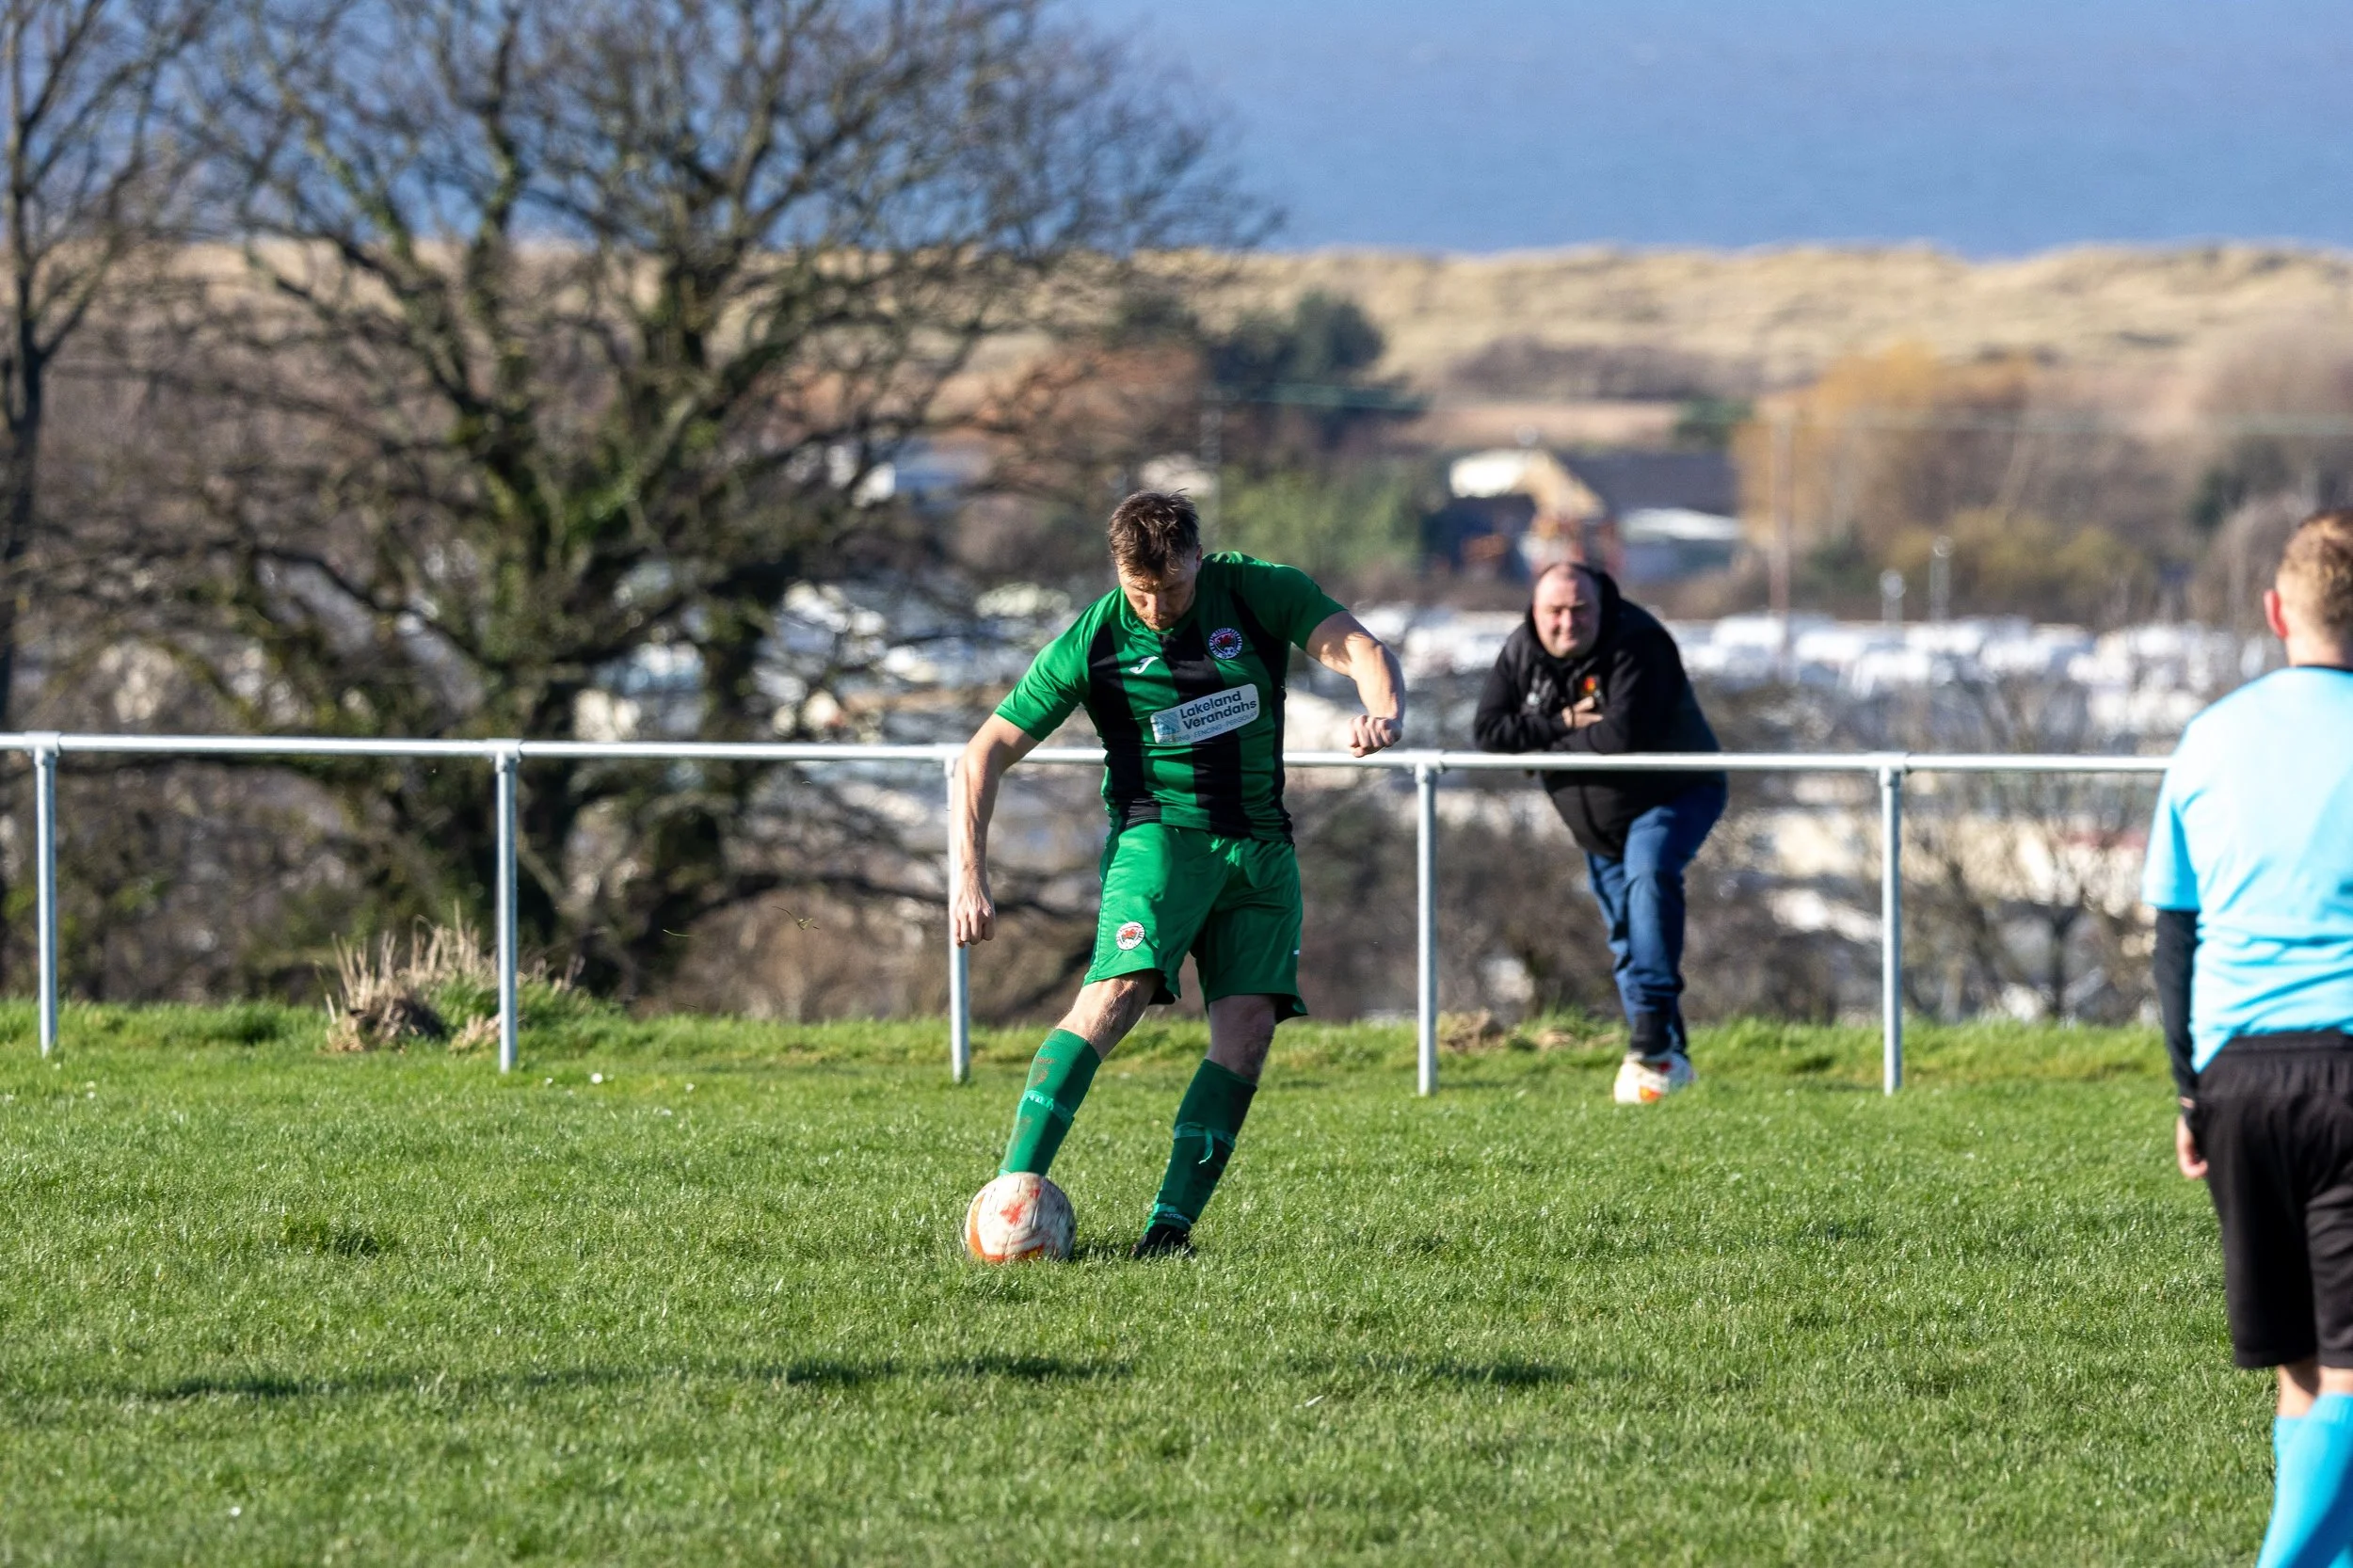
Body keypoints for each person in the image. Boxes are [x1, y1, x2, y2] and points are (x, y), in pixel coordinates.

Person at [952, 490, 1403, 1257]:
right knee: (1116, 996)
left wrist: (1382, 709)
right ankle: (1011, 1194)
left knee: (1249, 1034)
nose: (1156, 607)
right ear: (1119, 573)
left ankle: (1169, 1232)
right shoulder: (1095, 639)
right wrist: (969, 875)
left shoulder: (1258, 591)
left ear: (1198, 556)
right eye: (1140, 590)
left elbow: (1357, 646)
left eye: (1170, 588)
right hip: (1159, 838)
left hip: (1262, 848)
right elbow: (983, 750)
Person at [2146, 509, 2353, 1568]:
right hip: (2348, 1068)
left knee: (2303, 1362)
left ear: (2276, 611)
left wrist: (2190, 1093)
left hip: (2236, 1078)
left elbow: (2173, 939)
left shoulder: (2206, 738)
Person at [1472, 561, 1724, 1103]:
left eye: (1579, 609)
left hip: (1671, 797)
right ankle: (1666, 1061)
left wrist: (1536, 745)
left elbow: (1619, 737)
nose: (1567, 622)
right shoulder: (1522, 649)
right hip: (1595, 825)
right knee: (1626, 939)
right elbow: (1490, 732)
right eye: (1554, 611)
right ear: (1534, 611)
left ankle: (1651, 1039)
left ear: (1601, 606)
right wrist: (1565, 723)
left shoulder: (1639, 641)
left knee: (1649, 877)